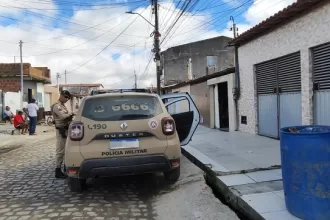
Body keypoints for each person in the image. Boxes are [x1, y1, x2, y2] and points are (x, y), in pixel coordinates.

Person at [52, 90, 74, 179]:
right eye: (66, 97)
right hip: (61, 130)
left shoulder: (62, 105)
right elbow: (63, 116)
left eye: (68, 98)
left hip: (65, 129)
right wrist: (71, 114)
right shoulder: (57, 106)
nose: (67, 99)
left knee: (66, 150)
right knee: (60, 151)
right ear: (61, 95)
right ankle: (58, 170)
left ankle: (65, 168)